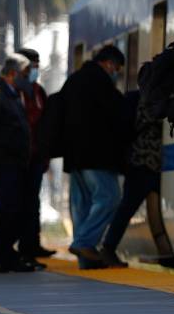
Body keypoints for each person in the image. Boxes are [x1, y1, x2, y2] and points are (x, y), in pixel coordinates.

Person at [58, 45, 128, 269]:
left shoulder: (73, 80)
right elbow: (115, 115)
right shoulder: (100, 82)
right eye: (116, 67)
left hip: (74, 155)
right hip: (97, 154)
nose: (116, 72)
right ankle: (83, 243)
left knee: (82, 206)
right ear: (108, 63)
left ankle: (86, 260)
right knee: (110, 197)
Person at [0, 54, 38, 273]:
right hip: (1, 166)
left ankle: (3, 252)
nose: (29, 78)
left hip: (16, 165)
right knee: (7, 210)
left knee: (15, 211)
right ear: (12, 73)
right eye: (26, 74)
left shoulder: (12, 96)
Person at [100, 91, 158, 268]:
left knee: (127, 207)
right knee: (127, 207)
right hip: (144, 162)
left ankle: (108, 248)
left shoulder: (138, 99)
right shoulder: (150, 101)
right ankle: (108, 248)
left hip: (143, 162)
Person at [15, 47, 55, 259]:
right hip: (17, 158)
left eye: (37, 66)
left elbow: (44, 123)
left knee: (33, 202)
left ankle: (32, 244)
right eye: (32, 66)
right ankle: (19, 245)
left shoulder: (38, 92)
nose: (35, 70)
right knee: (18, 203)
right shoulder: (13, 91)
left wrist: (45, 155)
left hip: (36, 157)